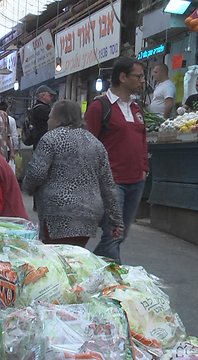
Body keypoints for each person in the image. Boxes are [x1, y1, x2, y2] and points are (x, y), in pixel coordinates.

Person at [23, 100, 124, 247]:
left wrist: (27, 188)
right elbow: (108, 185)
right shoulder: (96, 143)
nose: (48, 121)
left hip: (56, 214)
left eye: (50, 117)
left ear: (59, 119)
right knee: (75, 256)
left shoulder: (50, 139)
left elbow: (37, 173)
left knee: (57, 258)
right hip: (89, 214)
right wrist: (116, 220)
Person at [84, 57, 149, 264]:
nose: (143, 81)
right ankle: (115, 286)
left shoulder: (136, 108)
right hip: (111, 183)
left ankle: (87, 265)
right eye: (138, 76)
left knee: (119, 236)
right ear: (123, 77)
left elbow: (142, 140)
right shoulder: (99, 106)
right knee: (113, 235)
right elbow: (87, 144)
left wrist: (144, 169)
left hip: (136, 181)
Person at [29, 85, 57, 149]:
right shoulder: (42, 109)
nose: (51, 98)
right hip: (43, 143)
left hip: (38, 142)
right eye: (50, 95)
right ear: (43, 95)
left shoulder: (35, 108)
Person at [0, 101, 19, 173]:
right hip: (7, 148)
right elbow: (14, 135)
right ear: (7, 109)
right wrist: (15, 148)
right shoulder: (11, 119)